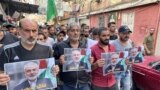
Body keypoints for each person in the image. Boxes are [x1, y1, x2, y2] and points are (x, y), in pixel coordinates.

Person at [0, 18, 59, 90]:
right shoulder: (8, 50)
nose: (31, 35)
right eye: (27, 31)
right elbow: (2, 72)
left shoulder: (47, 49)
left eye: (34, 31)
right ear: (19, 30)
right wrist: (2, 78)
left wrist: (54, 70)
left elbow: (50, 70)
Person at [53, 22, 93, 90]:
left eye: (77, 30)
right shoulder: (59, 46)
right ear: (68, 33)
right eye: (73, 30)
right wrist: (59, 61)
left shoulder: (84, 46)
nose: (76, 33)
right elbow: (52, 63)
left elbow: (87, 64)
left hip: (84, 83)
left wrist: (90, 61)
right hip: (67, 84)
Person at [112, 25, 133, 90]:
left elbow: (131, 55)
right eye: (124, 33)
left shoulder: (130, 42)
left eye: (128, 33)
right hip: (117, 72)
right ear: (119, 34)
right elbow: (111, 59)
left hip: (127, 70)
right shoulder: (113, 44)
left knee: (127, 87)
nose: (127, 35)